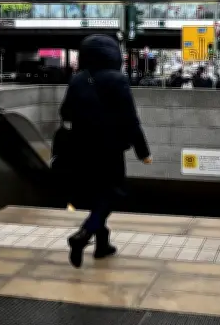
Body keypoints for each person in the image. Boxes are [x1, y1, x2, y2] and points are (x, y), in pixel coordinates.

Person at [59, 34, 151, 268]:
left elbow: (65, 113)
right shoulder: (117, 80)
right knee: (112, 194)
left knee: (97, 195)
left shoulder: (78, 80)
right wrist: (143, 151)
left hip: (81, 149)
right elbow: (130, 119)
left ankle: (102, 244)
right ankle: (84, 234)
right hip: (110, 150)